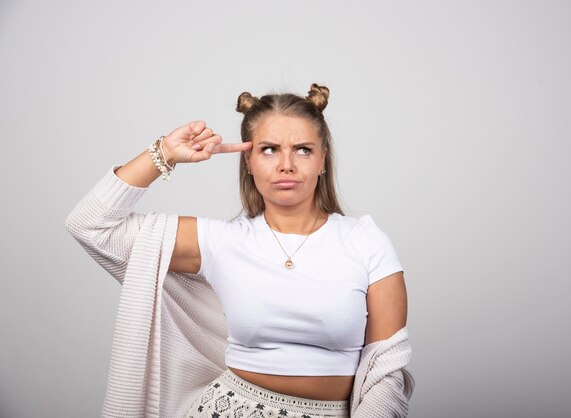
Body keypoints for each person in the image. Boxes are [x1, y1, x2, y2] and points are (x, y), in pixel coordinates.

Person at [65, 83, 414, 417]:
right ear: (249, 161)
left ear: (323, 159)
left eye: (303, 149)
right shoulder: (222, 241)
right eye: (269, 149)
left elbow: (386, 367)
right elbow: (91, 225)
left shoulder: (365, 240)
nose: (286, 164)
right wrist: (166, 154)